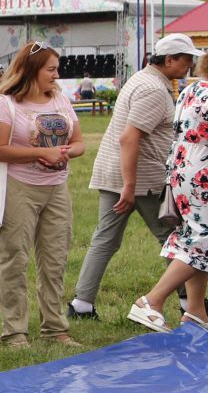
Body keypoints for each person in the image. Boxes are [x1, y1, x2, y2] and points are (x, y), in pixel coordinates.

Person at [69, 35, 202, 320]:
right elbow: (130, 138)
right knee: (176, 238)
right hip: (140, 178)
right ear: (169, 60)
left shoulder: (142, 79)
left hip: (119, 173)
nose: (190, 66)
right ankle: (187, 304)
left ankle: (82, 304)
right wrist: (128, 186)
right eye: (186, 60)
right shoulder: (154, 89)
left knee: (105, 239)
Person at [0, 42, 85, 348]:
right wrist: (41, 152)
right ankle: (15, 332)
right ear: (32, 70)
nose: (57, 76)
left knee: (54, 260)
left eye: (57, 69)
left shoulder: (58, 98)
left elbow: (80, 142)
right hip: (20, 188)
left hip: (56, 188)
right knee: (15, 259)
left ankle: (55, 329)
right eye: (51, 69)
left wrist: (65, 152)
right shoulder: (4, 104)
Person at [129, 54, 208, 331]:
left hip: (183, 168)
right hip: (203, 173)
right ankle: (151, 300)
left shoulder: (192, 89)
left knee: (193, 235)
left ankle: (196, 310)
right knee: (203, 239)